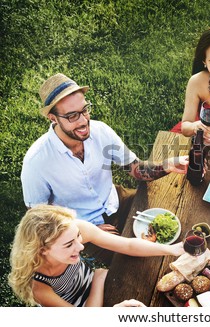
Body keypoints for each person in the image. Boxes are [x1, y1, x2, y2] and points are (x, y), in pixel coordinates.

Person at [21, 73, 188, 263]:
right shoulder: (36, 162)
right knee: (136, 265)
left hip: (117, 199)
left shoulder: (101, 131)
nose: (83, 121)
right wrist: (82, 230)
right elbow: (38, 218)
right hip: (81, 228)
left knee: (173, 220)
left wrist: (167, 165)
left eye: (84, 110)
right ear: (53, 118)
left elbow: (135, 169)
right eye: (72, 115)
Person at [8, 205, 184, 307]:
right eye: (69, 245)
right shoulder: (38, 286)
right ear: (41, 250)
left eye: (77, 236)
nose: (80, 245)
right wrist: (98, 280)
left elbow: (128, 244)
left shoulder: (71, 229)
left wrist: (173, 250)